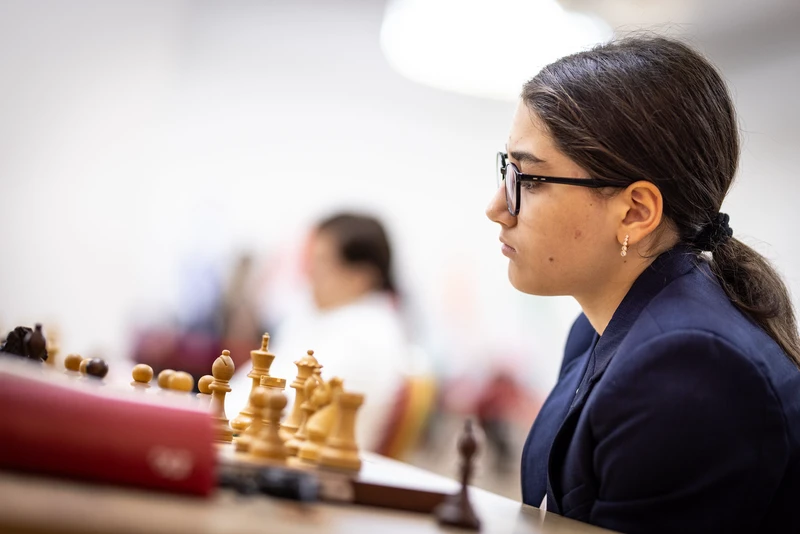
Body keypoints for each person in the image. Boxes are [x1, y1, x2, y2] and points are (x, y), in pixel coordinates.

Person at [485, 36, 800, 533]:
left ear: (635, 212)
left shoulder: (689, 368)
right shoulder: (597, 329)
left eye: (530, 179)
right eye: (508, 170)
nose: (497, 208)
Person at [227, 212, 415, 452]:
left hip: (295, 460)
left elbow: (277, 413)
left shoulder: (365, 336)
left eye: (321, 262)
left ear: (360, 277)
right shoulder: (330, 321)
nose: (309, 274)